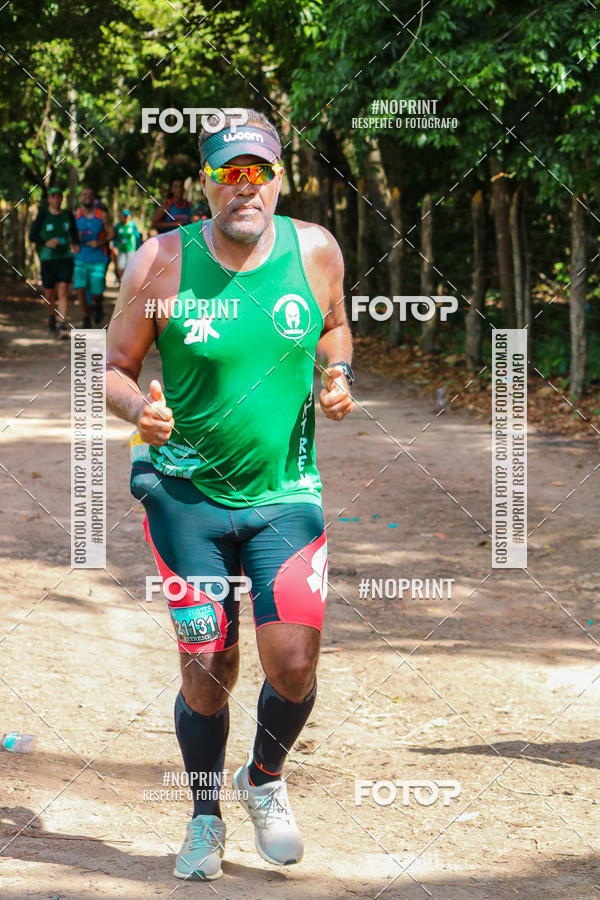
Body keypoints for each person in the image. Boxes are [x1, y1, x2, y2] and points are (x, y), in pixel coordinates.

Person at [105, 108, 354, 881]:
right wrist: (136, 409)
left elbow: (335, 325)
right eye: (227, 173)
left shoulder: (315, 250)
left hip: (286, 491)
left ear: (279, 178)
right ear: (204, 183)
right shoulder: (160, 264)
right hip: (184, 494)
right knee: (207, 664)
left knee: (293, 665)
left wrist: (337, 372)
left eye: (257, 172)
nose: (243, 188)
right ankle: (205, 816)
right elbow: (111, 365)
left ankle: (265, 781)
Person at [29, 187, 79, 338]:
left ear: (62, 199)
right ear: (49, 199)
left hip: (65, 257)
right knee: (49, 292)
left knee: (64, 288)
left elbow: (74, 233)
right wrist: (46, 242)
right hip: (48, 258)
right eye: (53, 197)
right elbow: (32, 236)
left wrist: (75, 244)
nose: (56, 199)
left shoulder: (68, 215)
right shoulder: (43, 215)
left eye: (59, 197)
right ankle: (51, 317)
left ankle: (62, 324)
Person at [73, 187, 114, 328]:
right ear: (80, 198)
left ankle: (97, 305)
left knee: (96, 293)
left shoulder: (102, 215)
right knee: (80, 288)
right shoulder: (75, 215)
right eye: (84, 194)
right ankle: (85, 318)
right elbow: (68, 234)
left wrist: (100, 242)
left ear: (94, 198)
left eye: (90, 194)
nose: (87, 197)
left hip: (98, 258)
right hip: (80, 257)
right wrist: (74, 240)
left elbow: (111, 233)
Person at [112, 209, 142, 281]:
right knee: (121, 266)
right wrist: (114, 246)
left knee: (130, 266)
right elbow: (114, 237)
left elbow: (137, 236)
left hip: (131, 248)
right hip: (120, 249)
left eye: (127, 216)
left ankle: (128, 281)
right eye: (124, 216)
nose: (125, 218)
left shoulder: (132, 225)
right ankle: (122, 280)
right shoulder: (118, 226)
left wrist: (139, 247)